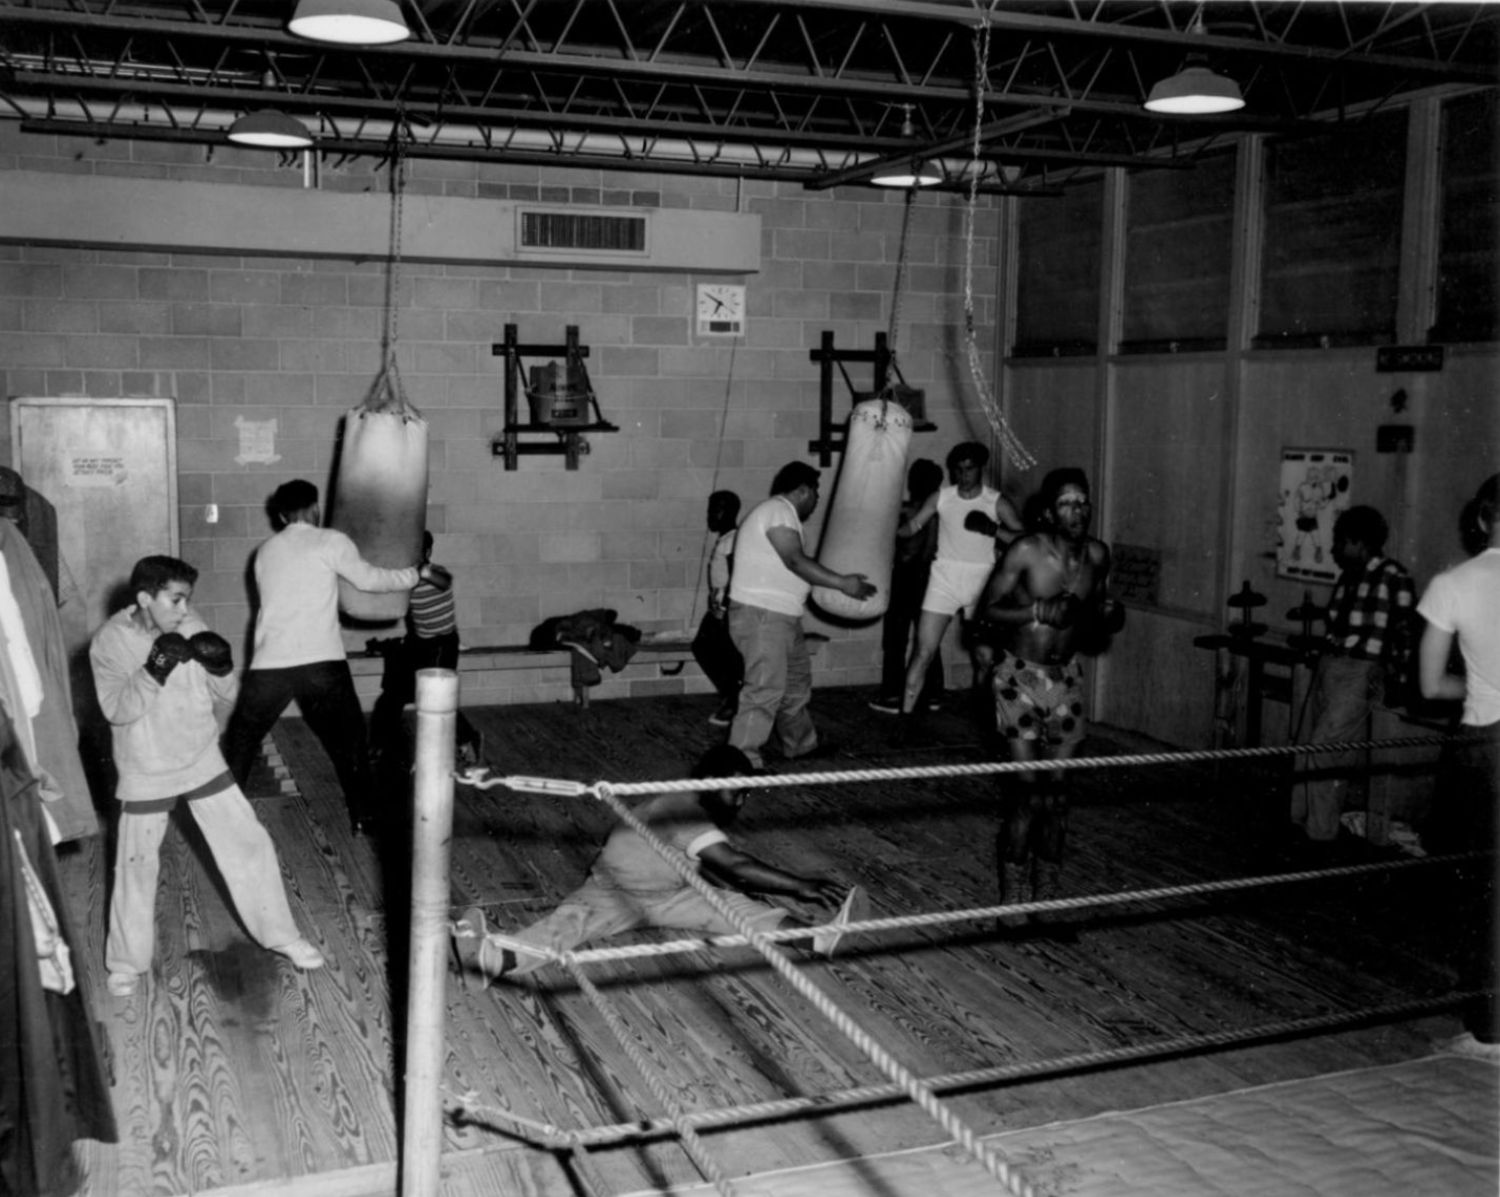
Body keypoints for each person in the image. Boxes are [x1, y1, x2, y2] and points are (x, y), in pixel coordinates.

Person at [90, 556, 325, 997]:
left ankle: (282, 936)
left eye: (187, 600)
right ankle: (125, 962)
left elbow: (228, 694)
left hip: (200, 757)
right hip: (147, 768)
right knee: (136, 866)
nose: (184, 609)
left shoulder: (191, 623)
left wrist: (221, 668)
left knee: (249, 844)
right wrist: (152, 669)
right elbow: (117, 710)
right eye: (175, 599)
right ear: (145, 598)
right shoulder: (110, 642)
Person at [450, 745, 863, 983]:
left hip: (672, 893)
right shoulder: (679, 807)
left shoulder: (694, 806)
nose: (741, 800)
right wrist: (799, 885)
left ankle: (818, 938)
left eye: (747, 793)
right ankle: (495, 959)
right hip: (614, 891)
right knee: (568, 924)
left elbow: (718, 869)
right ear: (710, 783)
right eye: (735, 790)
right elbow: (733, 864)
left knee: (737, 908)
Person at [222, 479, 445, 836]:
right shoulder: (330, 541)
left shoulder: (264, 551)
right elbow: (370, 580)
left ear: (281, 515)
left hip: (270, 665)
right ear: (315, 508)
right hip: (320, 663)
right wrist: (414, 573)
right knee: (351, 744)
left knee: (241, 741)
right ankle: (363, 817)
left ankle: (221, 822)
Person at [972, 467, 1121, 924]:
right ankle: (1014, 899)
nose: (1077, 511)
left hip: (1067, 679)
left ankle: (1048, 899)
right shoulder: (1027, 550)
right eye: (1066, 503)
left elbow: (1096, 617)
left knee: (1058, 798)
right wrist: (1035, 609)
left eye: (1083, 501)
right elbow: (983, 615)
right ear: (1048, 511)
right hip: (1018, 678)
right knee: (1026, 794)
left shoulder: (1098, 556)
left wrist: (1109, 615)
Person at [1416, 473, 1500, 1062]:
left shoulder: (1453, 584)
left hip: (1485, 745)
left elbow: (1428, 685)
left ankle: (1490, 1028)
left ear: (1480, 520)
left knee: (1481, 888)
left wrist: (1478, 683)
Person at [725, 462, 875, 769]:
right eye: (816, 492)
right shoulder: (779, 510)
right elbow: (794, 560)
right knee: (764, 690)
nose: (817, 500)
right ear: (803, 490)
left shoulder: (782, 515)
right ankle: (741, 763)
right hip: (763, 617)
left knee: (794, 687)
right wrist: (843, 583)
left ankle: (801, 745)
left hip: (781, 618)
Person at [1290, 505, 1415, 845]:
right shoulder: (1348, 577)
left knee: (1324, 749)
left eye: (1341, 542)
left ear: (1361, 543)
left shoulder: (1394, 577)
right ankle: (1299, 822)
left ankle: (1320, 834)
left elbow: (1405, 632)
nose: (1335, 549)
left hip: (1361, 672)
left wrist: (1396, 681)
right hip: (1330, 665)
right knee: (1306, 745)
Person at [892, 442, 1023, 737]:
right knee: (923, 651)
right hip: (944, 579)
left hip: (982, 582)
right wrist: (884, 530)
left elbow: (1024, 539)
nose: (963, 475)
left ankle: (987, 721)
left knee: (985, 658)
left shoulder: (995, 501)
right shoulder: (942, 497)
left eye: (969, 469)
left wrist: (993, 530)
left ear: (980, 469)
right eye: (958, 470)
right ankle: (904, 722)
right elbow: (913, 526)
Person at [368, 530, 483, 770]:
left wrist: (423, 570)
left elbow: (445, 581)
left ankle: (468, 740)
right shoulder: (405, 577)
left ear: (427, 553)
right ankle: (378, 747)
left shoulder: (436, 573)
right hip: (418, 643)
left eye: (415, 552)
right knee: (392, 696)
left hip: (442, 644)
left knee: (437, 698)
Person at [869, 459, 945, 715]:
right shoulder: (943, 512)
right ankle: (933, 695)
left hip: (905, 579)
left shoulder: (905, 511)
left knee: (896, 640)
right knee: (928, 641)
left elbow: (901, 549)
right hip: (931, 580)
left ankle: (892, 695)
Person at [691, 489, 744, 728]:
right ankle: (732, 697)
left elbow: (737, 575)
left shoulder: (734, 539)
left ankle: (733, 701)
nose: (711, 515)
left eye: (716, 510)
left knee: (716, 652)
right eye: (709, 510)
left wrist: (724, 608)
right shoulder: (725, 539)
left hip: (728, 610)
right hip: (718, 609)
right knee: (705, 648)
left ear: (729, 512)